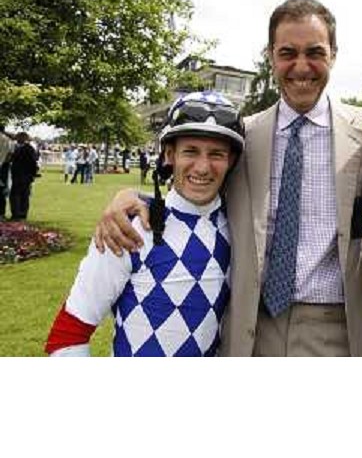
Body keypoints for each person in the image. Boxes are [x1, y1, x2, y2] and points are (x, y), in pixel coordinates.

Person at [94, 0, 362, 357]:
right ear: (271, 55)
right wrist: (136, 198)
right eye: (287, 52)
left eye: (315, 52)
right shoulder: (242, 136)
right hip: (248, 328)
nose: (301, 67)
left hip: (336, 330)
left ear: (333, 54)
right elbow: (195, 184)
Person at [45, 91, 245, 357]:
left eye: (216, 154)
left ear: (231, 161)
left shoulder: (239, 230)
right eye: (191, 151)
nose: (202, 167)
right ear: (169, 155)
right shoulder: (130, 226)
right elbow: (67, 335)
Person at [9, 132, 39, 221]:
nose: (16, 139)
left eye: (18, 138)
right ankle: (22, 213)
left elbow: (33, 163)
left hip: (22, 175)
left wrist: (33, 174)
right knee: (24, 195)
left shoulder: (27, 149)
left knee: (16, 195)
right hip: (23, 176)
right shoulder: (26, 148)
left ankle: (17, 214)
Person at [0, 125, 16, 219]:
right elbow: (10, 156)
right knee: (2, 191)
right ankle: (1, 213)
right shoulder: (9, 141)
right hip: (3, 167)